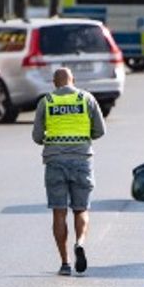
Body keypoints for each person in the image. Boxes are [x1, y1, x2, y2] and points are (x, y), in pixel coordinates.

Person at [32, 67, 106, 276]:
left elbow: (37, 136)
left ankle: (65, 263)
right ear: (73, 80)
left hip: (55, 161)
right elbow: (100, 130)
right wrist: (83, 138)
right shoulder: (86, 98)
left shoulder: (47, 101)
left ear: (54, 83)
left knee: (59, 212)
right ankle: (80, 242)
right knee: (81, 209)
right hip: (82, 160)